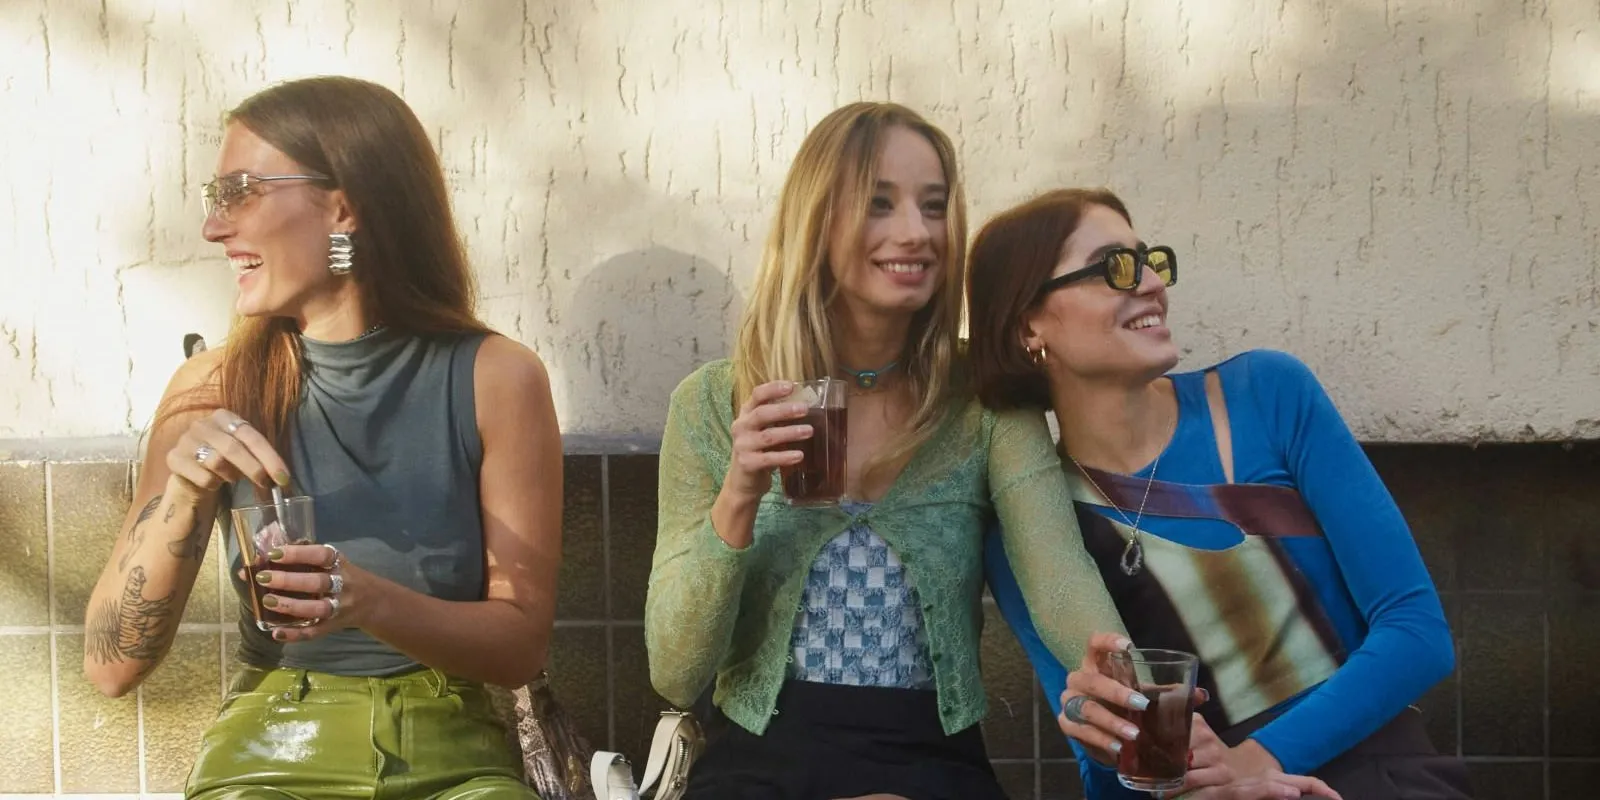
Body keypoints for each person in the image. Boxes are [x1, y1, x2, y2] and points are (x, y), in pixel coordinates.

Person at [82, 76, 561, 800]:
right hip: (268, 750)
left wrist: (366, 600)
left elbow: (520, 646)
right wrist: (182, 494)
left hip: (455, 757)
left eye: (240, 192)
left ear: (342, 207)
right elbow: (110, 668)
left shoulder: (496, 378)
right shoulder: (211, 389)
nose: (215, 228)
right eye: (215, 198)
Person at [644, 102, 1127, 800]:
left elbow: (1058, 576)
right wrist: (741, 492)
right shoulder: (714, 403)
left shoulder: (983, 403)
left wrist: (1129, 683)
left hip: (931, 756)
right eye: (879, 204)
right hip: (760, 752)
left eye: (933, 207)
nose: (916, 232)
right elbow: (676, 671)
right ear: (816, 223)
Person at [967, 188, 1472, 799]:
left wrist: (1256, 759)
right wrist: (1102, 735)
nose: (1152, 283)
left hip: (1379, 775)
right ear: (1029, 322)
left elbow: (1416, 632)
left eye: (1150, 260)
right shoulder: (1036, 534)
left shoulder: (1265, 396)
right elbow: (1108, 784)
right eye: (1114, 268)